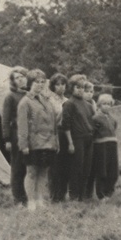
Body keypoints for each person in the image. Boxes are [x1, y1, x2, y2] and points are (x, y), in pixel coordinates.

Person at [16, 69, 57, 211]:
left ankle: (40, 199)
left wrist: (54, 142)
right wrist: (24, 145)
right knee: (32, 172)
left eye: (42, 82)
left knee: (43, 172)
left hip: (47, 142)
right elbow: (22, 126)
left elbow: (53, 122)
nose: (39, 85)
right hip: (33, 143)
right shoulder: (25, 102)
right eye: (36, 82)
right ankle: (31, 202)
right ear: (30, 83)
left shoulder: (46, 100)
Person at [61, 75, 95, 201]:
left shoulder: (88, 105)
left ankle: (83, 195)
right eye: (77, 87)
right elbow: (66, 125)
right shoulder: (69, 104)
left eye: (82, 87)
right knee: (77, 168)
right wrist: (70, 143)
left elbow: (92, 122)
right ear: (72, 88)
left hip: (88, 139)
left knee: (87, 168)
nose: (80, 90)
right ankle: (74, 196)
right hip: (76, 139)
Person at [2, 65, 29, 205]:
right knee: (17, 167)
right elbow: (5, 119)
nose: (20, 80)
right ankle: (18, 198)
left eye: (22, 77)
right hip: (16, 134)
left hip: (29, 135)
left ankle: (27, 195)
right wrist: (7, 138)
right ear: (13, 81)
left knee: (28, 167)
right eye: (16, 78)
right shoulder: (10, 97)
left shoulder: (29, 95)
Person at [90, 93, 120, 200]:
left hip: (112, 145)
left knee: (113, 170)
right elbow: (92, 133)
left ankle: (109, 192)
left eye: (109, 104)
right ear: (99, 105)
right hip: (101, 146)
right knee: (102, 170)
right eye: (104, 104)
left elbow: (114, 129)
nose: (106, 106)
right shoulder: (96, 118)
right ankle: (101, 194)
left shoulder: (113, 119)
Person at [47, 73, 70, 202]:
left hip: (66, 134)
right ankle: (54, 195)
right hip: (54, 132)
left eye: (63, 84)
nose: (61, 87)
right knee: (54, 166)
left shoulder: (67, 101)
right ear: (53, 86)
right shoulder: (50, 101)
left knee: (65, 165)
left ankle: (63, 193)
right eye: (58, 84)